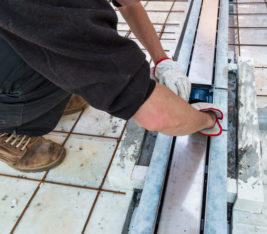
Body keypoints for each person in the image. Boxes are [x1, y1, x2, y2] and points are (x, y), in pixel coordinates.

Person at [0, 0, 223, 173]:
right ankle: (7, 131)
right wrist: (207, 120)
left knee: (65, 59)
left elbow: (130, 5)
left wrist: (162, 60)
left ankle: (44, 90)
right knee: (75, 64)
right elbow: (156, 116)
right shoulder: (65, 16)